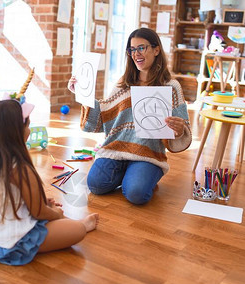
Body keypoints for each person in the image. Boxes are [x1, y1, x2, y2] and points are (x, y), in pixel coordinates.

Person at [0, 99, 99, 266]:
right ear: (16, 132)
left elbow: (5, 200)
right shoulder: (19, 168)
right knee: (77, 230)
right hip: (10, 243)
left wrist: (43, 205)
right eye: (27, 125)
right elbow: (38, 213)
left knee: (51, 210)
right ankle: (80, 225)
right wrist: (55, 213)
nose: (29, 129)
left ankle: (62, 220)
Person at [68, 28, 192, 205]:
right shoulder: (124, 83)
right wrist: (82, 94)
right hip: (117, 149)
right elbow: (104, 114)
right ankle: (132, 174)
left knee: (136, 194)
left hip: (148, 154)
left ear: (156, 50)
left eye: (141, 48)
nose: (136, 54)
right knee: (95, 185)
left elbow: (183, 131)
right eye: (132, 50)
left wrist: (179, 130)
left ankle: (142, 174)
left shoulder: (171, 87)